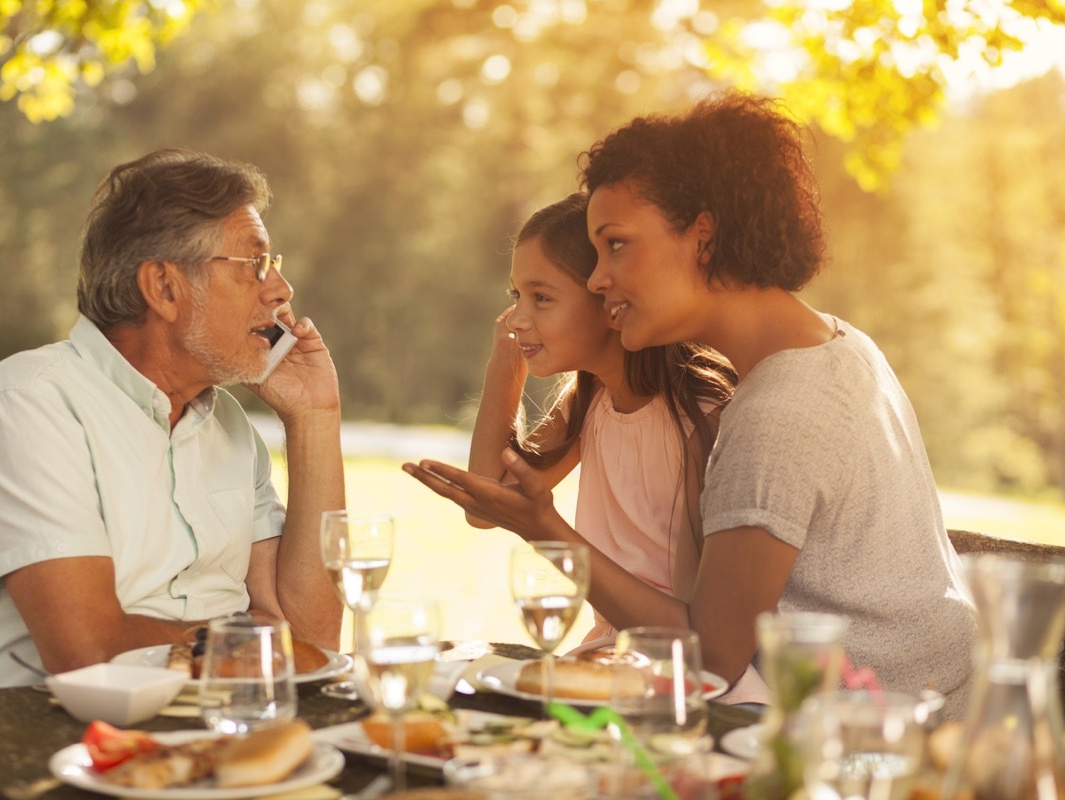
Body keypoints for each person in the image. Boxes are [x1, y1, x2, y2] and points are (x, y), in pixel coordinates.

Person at [405, 93, 976, 718]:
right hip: (902, 701)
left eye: (616, 245)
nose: (599, 279)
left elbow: (708, 660)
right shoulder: (841, 345)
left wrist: (545, 529)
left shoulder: (775, 411)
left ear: (702, 236)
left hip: (869, 734)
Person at [0, 149, 346, 690]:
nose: (281, 291)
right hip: (32, 750)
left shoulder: (231, 430)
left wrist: (315, 417)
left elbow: (314, 643)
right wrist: (255, 640)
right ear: (165, 288)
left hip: (209, 731)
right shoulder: (27, 405)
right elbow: (88, 650)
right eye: (255, 265)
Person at [468, 193, 768, 704]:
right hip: (612, 659)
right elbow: (485, 502)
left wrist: (549, 531)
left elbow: (704, 637)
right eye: (515, 295)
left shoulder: (701, 416)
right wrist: (505, 363)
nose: (517, 317)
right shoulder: (591, 403)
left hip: (693, 681)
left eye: (541, 298)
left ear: (609, 299)